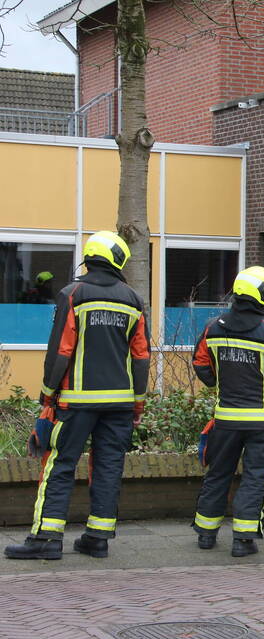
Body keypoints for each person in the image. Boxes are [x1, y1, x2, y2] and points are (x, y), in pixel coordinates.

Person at [5, 231, 150, 560]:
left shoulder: (73, 294)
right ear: (119, 261)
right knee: (109, 467)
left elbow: (60, 350)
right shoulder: (133, 301)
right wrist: (137, 403)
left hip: (76, 402)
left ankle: (47, 539)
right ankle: (97, 538)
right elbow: (141, 358)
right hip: (120, 405)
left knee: (59, 464)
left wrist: (47, 395)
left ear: (90, 258)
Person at [190, 266, 264, 557]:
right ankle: (243, 539)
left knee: (218, 473)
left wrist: (217, 382)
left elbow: (200, 363)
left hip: (225, 419)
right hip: (263, 422)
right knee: (255, 477)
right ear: (263, 295)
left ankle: (205, 533)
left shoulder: (214, 327)